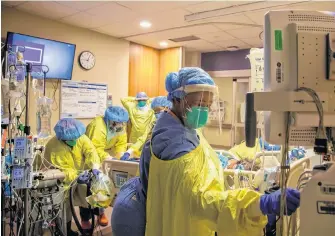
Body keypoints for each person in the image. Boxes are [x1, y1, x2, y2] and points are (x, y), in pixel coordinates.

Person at [112, 68, 300, 236]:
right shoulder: (173, 142)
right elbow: (202, 201)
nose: (205, 110)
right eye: (200, 103)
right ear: (177, 99)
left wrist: (216, 160)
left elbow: (197, 157)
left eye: (208, 105)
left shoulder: (181, 126)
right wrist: (258, 204)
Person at [44, 118, 101, 236]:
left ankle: (86, 220)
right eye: (70, 140)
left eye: (76, 138)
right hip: (62, 179)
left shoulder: (81, 138)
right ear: (62, 139)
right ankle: (66, 228)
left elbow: (91, 153)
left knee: (87, 192)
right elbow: (61, 169)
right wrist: (76, 176)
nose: (74, 140)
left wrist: (95, 167)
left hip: (82, 173)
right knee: (65, 204)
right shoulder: (53, 145)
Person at [120, 96, 172, 160]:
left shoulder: (176, 123)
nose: (156, 114)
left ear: (167, 108)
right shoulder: (154, 123)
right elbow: (143, 138)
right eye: (155, 112)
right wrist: (129, 151)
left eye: (158, 110)